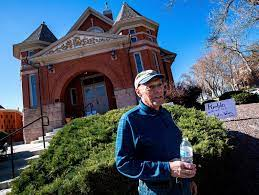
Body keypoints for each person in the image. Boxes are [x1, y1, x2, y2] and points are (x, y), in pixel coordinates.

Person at [115, 70, 197, 194]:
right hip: (156, 191)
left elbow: (175, 149)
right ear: (138, 92)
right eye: (151, 87)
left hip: (182, 187)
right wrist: (167, 169)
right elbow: (124, 164)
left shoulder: (166, 114)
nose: (158, 90)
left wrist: (188, 180)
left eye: (159, 85)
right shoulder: (130, 119)